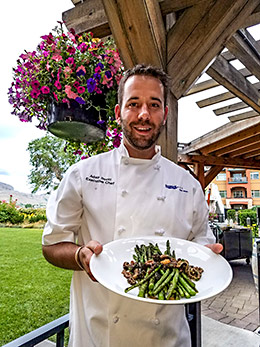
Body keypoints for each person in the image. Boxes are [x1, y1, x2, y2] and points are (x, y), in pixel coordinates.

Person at [42, 64, 223, 347]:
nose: (143, 115)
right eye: (134, 104)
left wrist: (208, 258)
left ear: (165, 114)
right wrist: (80, 256)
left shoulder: (188, 185)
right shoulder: (82, 174)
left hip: (167, 338)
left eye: (154, 105)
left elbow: (201, 247)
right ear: (118, 112)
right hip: (99, 336)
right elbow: (51, 245)